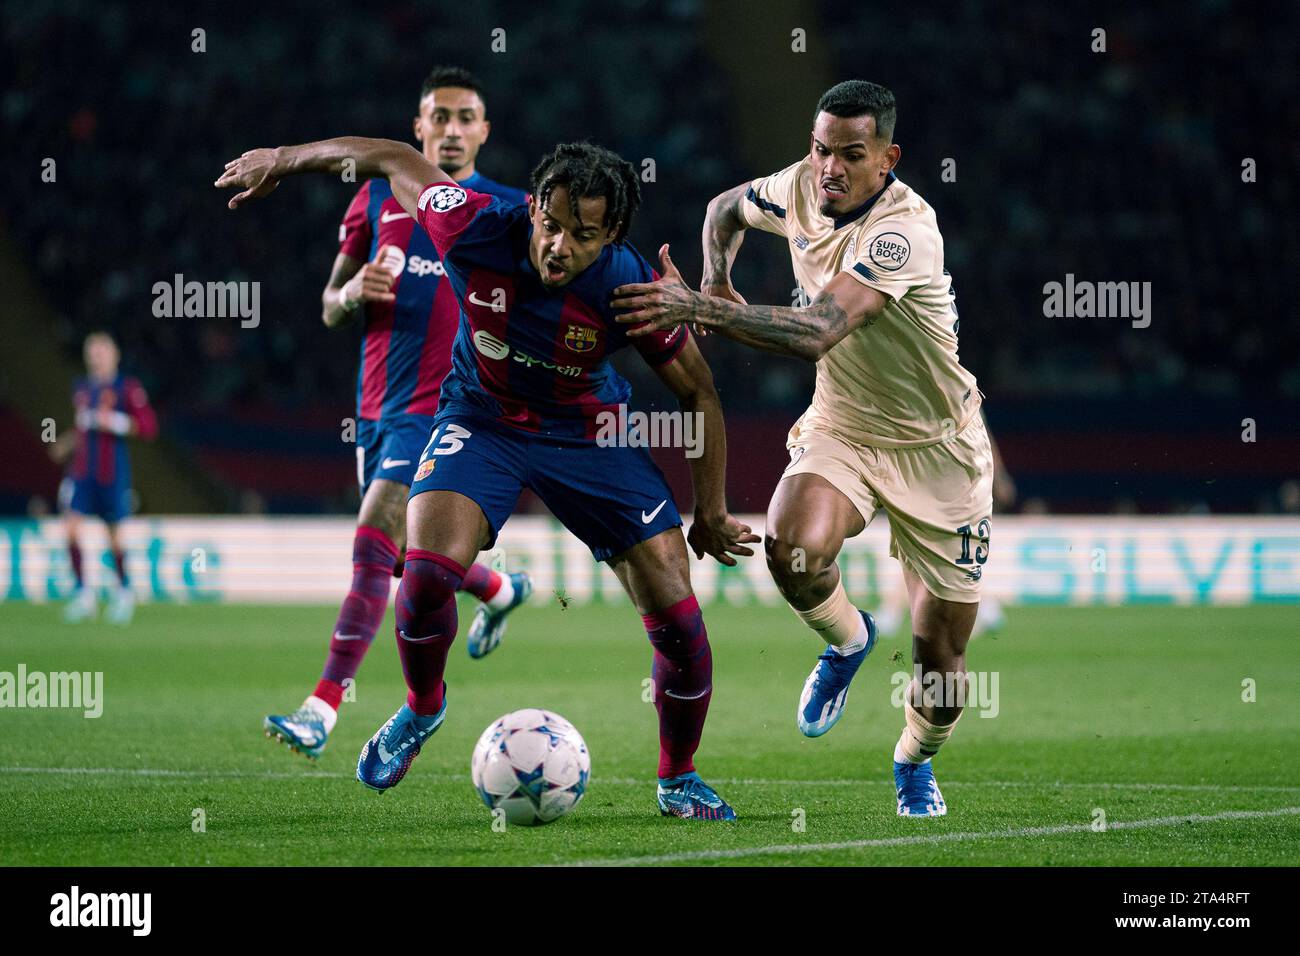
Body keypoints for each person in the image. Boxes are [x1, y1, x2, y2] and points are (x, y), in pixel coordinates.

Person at [219, 134, 759, 819]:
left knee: (680, 618)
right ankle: (422, 706)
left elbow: (700, 394)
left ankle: (677, 776)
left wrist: (709, 512)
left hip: (586, 436)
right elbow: (392, 157)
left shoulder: (629, 287)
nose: (559, 246)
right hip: (483, 420)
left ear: (613, 235)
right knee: (423, 575)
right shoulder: (468, 220)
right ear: (532, 207)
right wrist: (282, 160)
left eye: (583, 235)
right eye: (551, 224)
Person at [613, 80, 993, 818]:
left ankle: (914, 758)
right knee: (791, 549)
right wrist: (718, 280)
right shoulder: (795, 186)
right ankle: (848, 642)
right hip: (844, 425)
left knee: (942, 666)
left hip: (940, 451)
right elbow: (723, 209)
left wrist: (696, 305)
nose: (830, 168)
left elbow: (819, 329)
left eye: (853, 154)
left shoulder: (904, 231)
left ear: (888, 158)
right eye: (822, 149)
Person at [264, 67, 531, 761]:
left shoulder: (508, 211)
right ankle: (499, 590)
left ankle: (322, 708)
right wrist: (352, 288)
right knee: (405, 559)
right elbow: (326, 306)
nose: (450, 129)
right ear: (417, 130)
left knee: (370, 540)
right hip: (377, 407)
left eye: (464, 116)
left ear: (484, 130)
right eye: (437, 117)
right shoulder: (376, 198)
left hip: (449, 411)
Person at [53, 331, 158, 625]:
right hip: (82, 473)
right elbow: (85, 428)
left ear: (115, 355)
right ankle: (82, 594)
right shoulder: (81, 388)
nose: (96, 355)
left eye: (102, 350)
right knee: (70, 528)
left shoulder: (127, 388)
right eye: (92, 350)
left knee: (113, 537)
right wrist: (66, 443)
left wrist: (112, 421)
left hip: (112, 474)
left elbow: (148, 427)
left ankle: (124, 592)